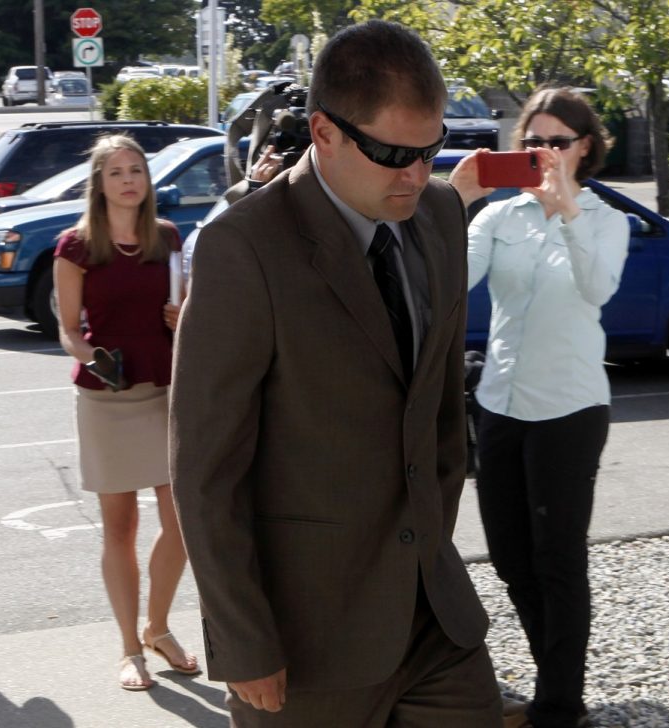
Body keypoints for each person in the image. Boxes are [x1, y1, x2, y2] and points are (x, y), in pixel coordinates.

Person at [169, 20, 501, 727]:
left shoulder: (441, 215)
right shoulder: (243, 248)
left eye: (431, 148)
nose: (415, 172)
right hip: (304, 643)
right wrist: (243, 641)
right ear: (324, 132)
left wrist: (432, 536)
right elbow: (206, 468)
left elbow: (439, 404)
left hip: (436, 619)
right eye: (391, 152)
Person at [449, 86, 629, 728]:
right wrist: (459, 200)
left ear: (583, 147)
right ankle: (552, 682)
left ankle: (560, 703)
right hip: (500, 401)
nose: (543, 153)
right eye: (533, 141)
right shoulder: (500, 219)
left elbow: (597, 287)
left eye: (556, 142)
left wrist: (567, 212)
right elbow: (450, 278)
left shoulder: (604, 219)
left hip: (570, 409)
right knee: (509, 556)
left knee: (558, 559)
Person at [53, 134, 197, 691]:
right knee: (120, 526)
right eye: (116, 172)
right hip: (106, 397)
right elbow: (68, 331)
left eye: (136, 169)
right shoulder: (75, 246)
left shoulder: (167, 237)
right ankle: (128, 648)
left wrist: (180, 317)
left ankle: (158, 628)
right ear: (100, 184)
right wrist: (95, 358)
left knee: (181, 521)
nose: (129, 179)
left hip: (166, 390)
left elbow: (183, 312)